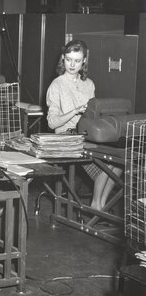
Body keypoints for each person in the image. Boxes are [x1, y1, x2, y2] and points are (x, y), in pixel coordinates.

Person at [46, 39, 122, 210]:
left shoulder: (89, 84)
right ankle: (96, 205)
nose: (72, 65)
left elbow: (93, 116)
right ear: (62, 59)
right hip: (66, 136)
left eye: (77, 61)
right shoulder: (56, 85)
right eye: (68, 59)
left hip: (86, 134)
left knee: (117, 163)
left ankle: (101, 203)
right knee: (105, 166)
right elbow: (52, 123)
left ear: (84, 61)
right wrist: (74, 111)